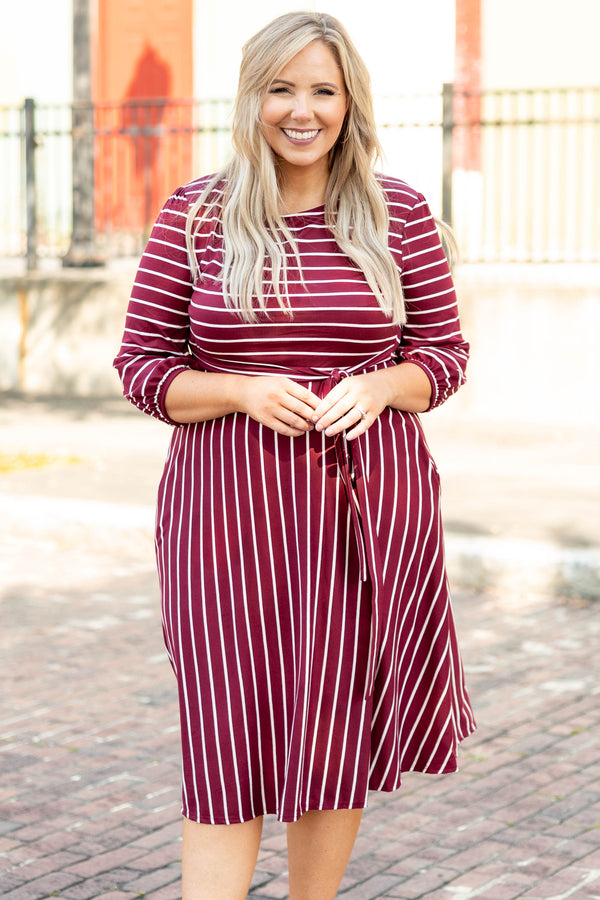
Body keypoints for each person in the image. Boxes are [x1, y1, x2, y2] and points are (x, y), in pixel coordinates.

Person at [114, 11, 476, 899]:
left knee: (334, 731)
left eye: (322, 89)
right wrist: (239, 389)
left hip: (365, 515)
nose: (302, 110)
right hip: (226, 519)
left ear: (350, 101)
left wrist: (386, 386)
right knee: (227, 735)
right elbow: (140, 367)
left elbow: (445, 356)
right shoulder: (196, 214)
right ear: (251, 99)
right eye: (282, 88)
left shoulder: (400, 213)